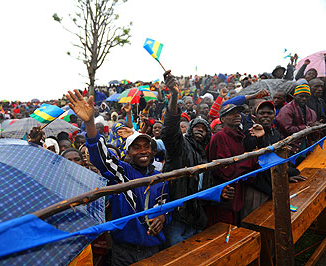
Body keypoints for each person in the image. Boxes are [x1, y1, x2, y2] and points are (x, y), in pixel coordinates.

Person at [66, 89, 169, 266]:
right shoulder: (122, 173)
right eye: (136, 147)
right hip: (124, 252)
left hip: (153, 250)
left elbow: (166, 205)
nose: (143, 151)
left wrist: (164, 217)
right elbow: (101, 158)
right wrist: (90, 122)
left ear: (153, 151)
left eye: (146, 146)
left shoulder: (161, 178)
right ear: (128, 153)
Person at [161, 70, 234, 246]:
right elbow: (170, 131)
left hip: (197, 218)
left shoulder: (205, 159)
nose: (201, 129)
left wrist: (220, 194)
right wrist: (175, 95)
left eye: (205, 128)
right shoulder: (180, 147)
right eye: (197, 126)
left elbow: (204, 188)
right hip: (176, 217)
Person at [208, 104, 256, 226]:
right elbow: (225, 171)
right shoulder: (220, 137)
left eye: (238, 112)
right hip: (224, 194)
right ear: (222, 119)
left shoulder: (240, 137)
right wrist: (251, 160)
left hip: (238, 191)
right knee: (224, 231)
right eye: (231, 113)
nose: (237, 115)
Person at [276, 84, 318, 155]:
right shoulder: (286, 110)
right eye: (301, 96)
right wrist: (307, 127)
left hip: (306, 147)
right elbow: (287, 129)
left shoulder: (311, 112)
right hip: (291, 148)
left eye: (306, 96)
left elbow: (313, 135)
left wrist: (316, 128)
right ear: (294, 96)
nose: (304, 99)